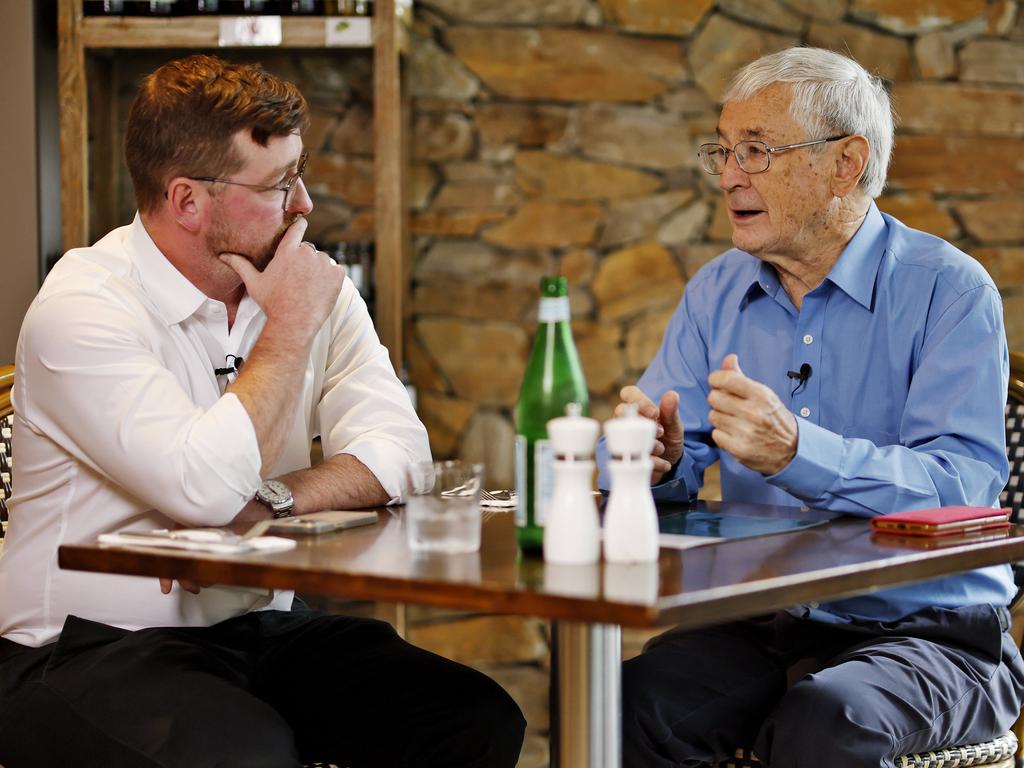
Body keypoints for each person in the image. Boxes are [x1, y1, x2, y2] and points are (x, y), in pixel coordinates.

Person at [0, 54, 525, 768]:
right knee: (242, 751)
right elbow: (205, 489)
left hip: (256, 630)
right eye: (280, 184)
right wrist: (286, 333)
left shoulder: (308, 288)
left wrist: (272, 501)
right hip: (81, 648)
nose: (305, 203)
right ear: (188, 200)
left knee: (467, 716)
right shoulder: (82, 307)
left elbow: (401, 449)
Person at [597, 47, 1024, 767]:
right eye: (725, 151)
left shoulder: (950, 291)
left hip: (932, 630)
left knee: (824, 722)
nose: (731, 174)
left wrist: (800, 453)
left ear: (845, 163)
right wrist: (656, 457)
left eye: (757, 151)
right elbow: (666, 463)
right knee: (623, 703)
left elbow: (962, 486)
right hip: (764, 622)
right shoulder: (714, 291)